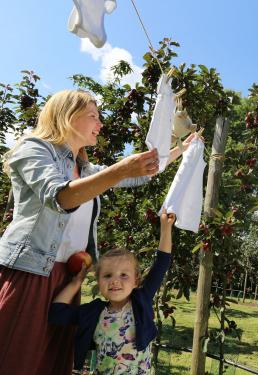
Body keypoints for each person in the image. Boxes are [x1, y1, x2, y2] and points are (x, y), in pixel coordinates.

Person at [0, 89, 194, 375]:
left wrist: (181, 149)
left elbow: (140, 173)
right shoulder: (34, 148)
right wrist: (120, 170)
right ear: (67, 116)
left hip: (66, 278)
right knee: (18, 358)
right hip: (32, 274)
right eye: (93, 116)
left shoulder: (85, 169)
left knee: (50, 361)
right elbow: (60, 197)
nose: (100, 124)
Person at [49, 209, 175, 374]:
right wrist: (76, 283)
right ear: (98, 281)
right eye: (107, 275)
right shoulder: (93, 312)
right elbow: (57, 313)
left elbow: (162, 264)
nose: (115, 280)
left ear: (136, 280)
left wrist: (165, 228)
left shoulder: (141, 300)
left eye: (124, 275)